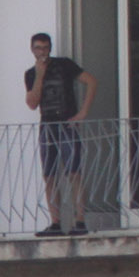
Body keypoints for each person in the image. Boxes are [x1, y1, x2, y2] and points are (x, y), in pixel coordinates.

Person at [24, 32, 96, 237]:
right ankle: (55, 222)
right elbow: (32, 103)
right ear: (32, 49)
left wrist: (82, 113)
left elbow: (91, 82)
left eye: (45, 48)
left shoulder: (64, 65)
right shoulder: (31, 73)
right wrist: (39, 74)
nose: (42, 52)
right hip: (47, 125)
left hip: (66, 123)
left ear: (50, 48)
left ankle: (80, 220)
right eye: (38, 48)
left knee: (74, 172)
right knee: (49, 174)